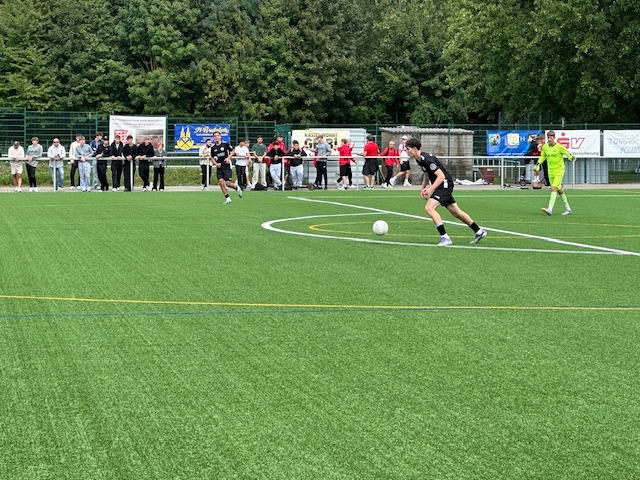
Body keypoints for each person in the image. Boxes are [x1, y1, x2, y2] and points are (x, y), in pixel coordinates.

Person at [406, 138, 487, 246]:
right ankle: (479, 231)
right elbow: (427, 174)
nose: (407, 151)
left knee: (429, 208)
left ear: (415, 149)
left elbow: (441, 176)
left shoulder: (427, 159)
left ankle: (445, 238)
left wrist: (430, 189)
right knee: (456, 212)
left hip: (444, 185)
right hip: (441, 185)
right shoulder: (419, 159)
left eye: (408, 149)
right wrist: (423, 188)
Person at [534, 130, 575, 216]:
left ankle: (550, 209)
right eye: (548, 137)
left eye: (551, 137)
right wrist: (538, 164)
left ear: (554, 138)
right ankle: (568, 209)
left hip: (559, 170)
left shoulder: (559, 146)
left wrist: (571, 157)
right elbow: (543, 156)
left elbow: (567, 154)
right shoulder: (545, 147)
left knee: (553, 188)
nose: (549, 139)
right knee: (559, 190)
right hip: (550, 171)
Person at [211, 131, 242, 204]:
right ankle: (228, 199)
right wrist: (216, 164)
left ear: (220, 136)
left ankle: (236, 187)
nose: (216, 137)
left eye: (218, 136)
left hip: (226, 166)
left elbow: (233, 151)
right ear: (213, 138)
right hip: (219, 167)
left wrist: (228, 158)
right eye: (215, 136)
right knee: (221, 183)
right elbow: (211, 157)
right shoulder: (213, 148)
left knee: (228, 183)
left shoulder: (225, 144)